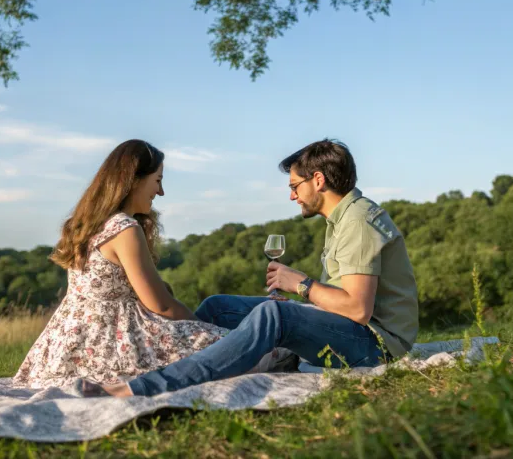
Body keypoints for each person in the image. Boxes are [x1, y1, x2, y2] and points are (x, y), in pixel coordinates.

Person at [83, 139, 418, 397]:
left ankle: (148, 387)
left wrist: (300, 285)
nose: (292, 196)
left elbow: (359, 309)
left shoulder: (358, 221)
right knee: (218, 307)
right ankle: (187, 364)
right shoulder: (343, 218)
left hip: (375, 347)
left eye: (294, 186)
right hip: (351, 330)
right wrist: (308, 306)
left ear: (318, 180)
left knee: (274, 316)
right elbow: (344, 299)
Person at [13, 140, 226, 388]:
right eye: (157, 180)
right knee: (240, 347)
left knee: (220, 321)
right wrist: (199, 329)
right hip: (112, 348)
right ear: (134, 179)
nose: (161, 192)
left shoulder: (87, 225)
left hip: (65, 348)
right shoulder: (123, 228)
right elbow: (161, 305)